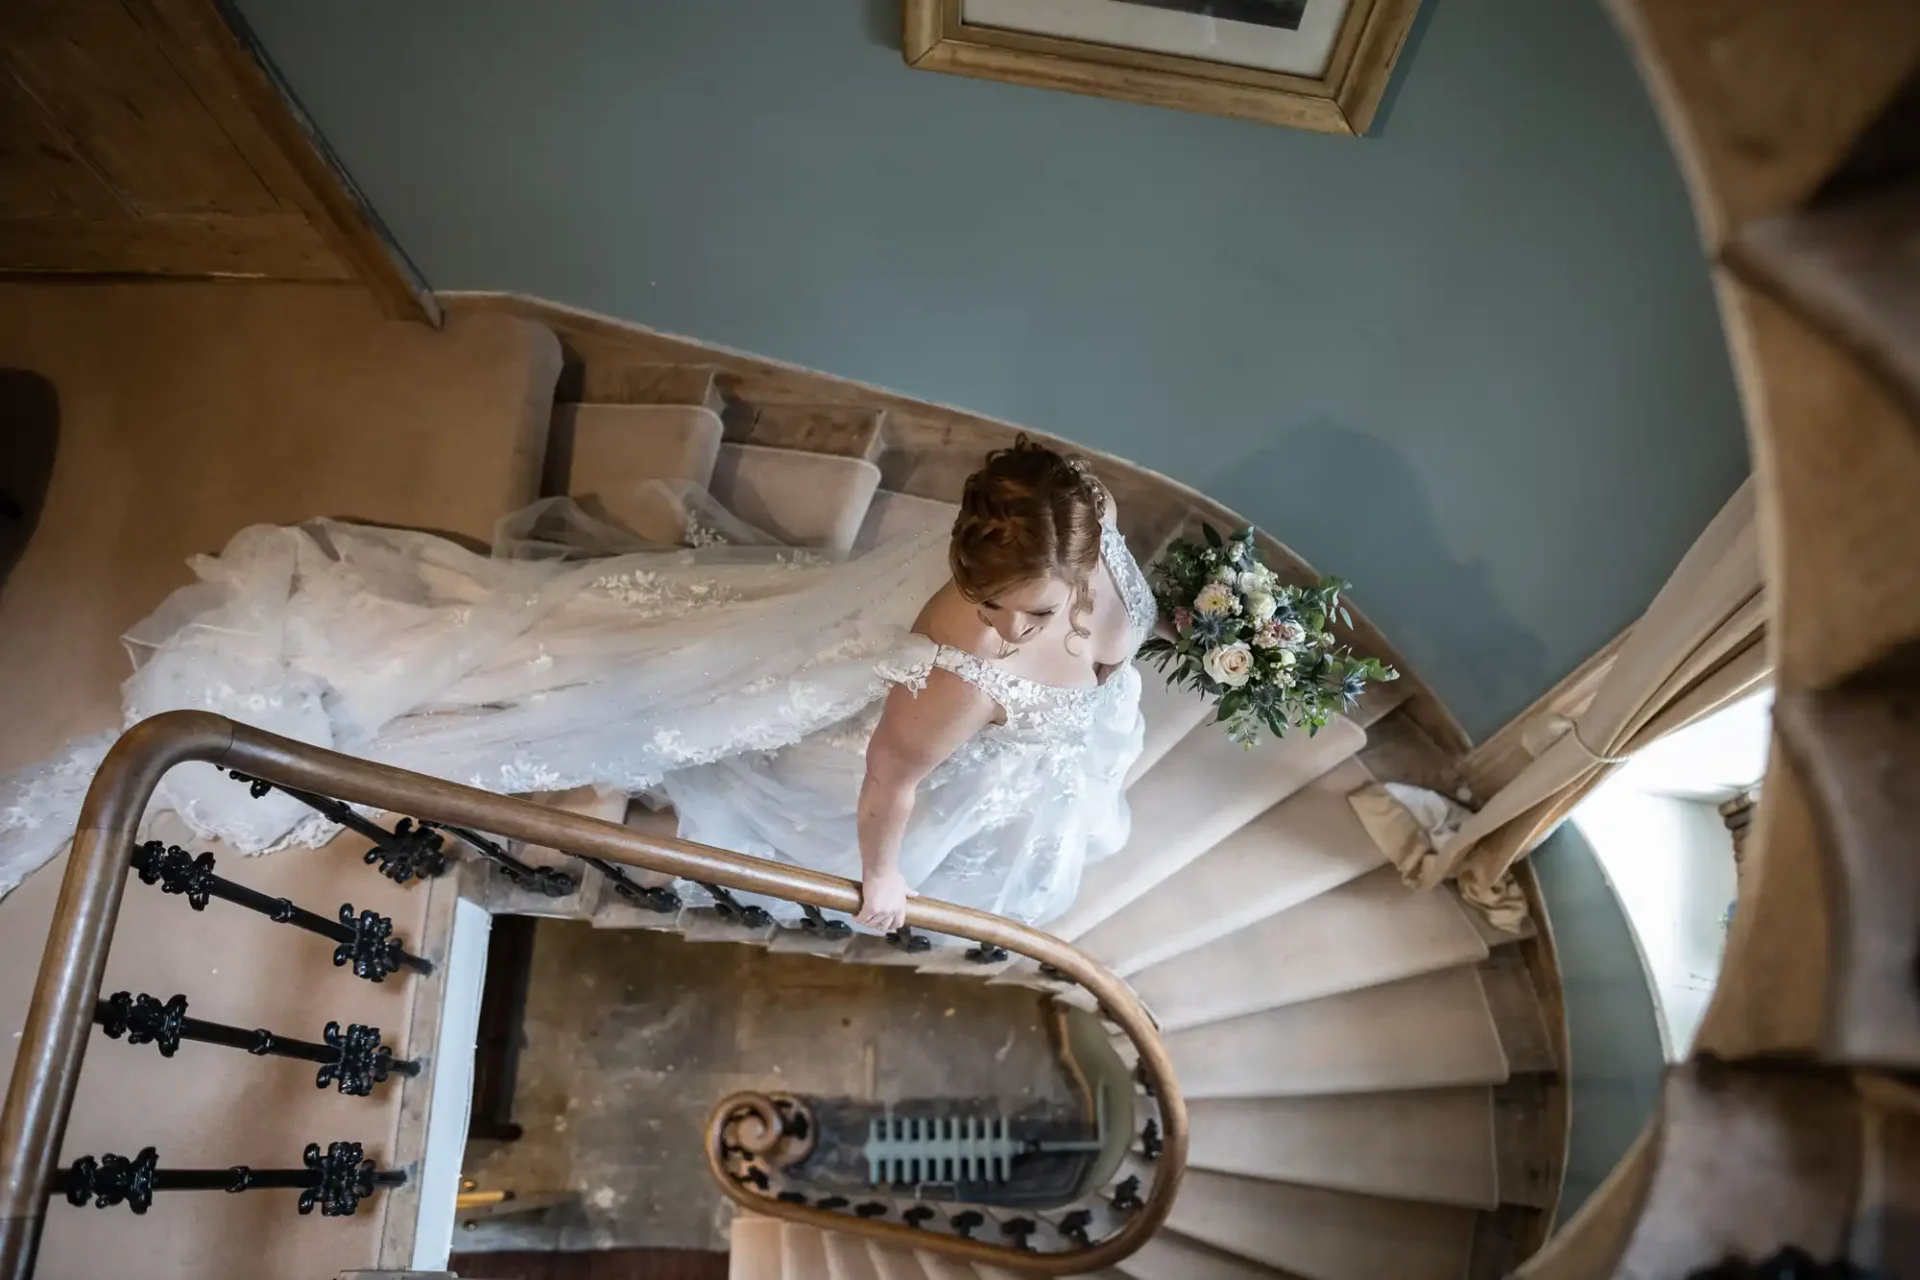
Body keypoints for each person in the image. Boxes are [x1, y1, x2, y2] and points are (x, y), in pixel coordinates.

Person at [0, 439, 1154, 935]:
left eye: (1036, 613)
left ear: (1086, 555)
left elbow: (1102, 638)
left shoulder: (1091, 546)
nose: (1010, 630)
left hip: (970, 732)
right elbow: (891, 779)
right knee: (691, 736)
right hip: (875, 741)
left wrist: (1086, 661)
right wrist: (887, 876)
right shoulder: (960, 661)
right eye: (999, 605)